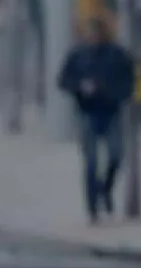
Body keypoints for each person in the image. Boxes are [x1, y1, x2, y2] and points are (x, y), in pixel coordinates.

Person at [56, 11, 135, 223]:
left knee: (116, 156)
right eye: (89, 32)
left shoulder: (118, 54)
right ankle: (92, 207)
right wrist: (80, 87)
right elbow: (63, 80)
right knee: (90, 162)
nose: (92, 36)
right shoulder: (78, 54)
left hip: (111, 112)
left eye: (96, 32)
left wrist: (111, 93)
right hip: (87, 112)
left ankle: (105, 189)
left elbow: (129, 83)